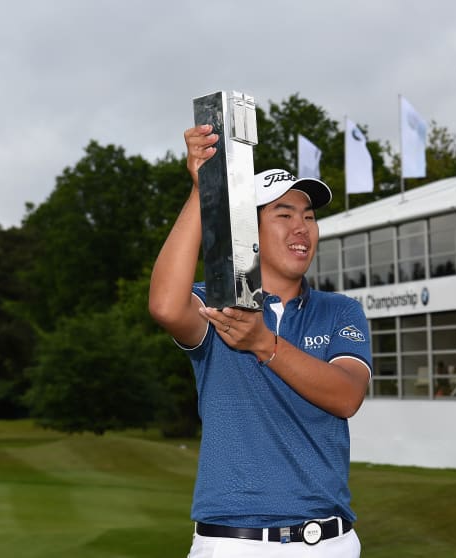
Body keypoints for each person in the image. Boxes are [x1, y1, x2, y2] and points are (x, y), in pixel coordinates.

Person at [149, 124, 371, 557]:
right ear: (247, 230)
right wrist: (202, 190)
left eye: (308, 216)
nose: (302, 227)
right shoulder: (218, 303)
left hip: (329, 542)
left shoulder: (341, 310)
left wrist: (265, 344)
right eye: (284, 215)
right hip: (233, 544)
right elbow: (165, 306)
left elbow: (346, 396)